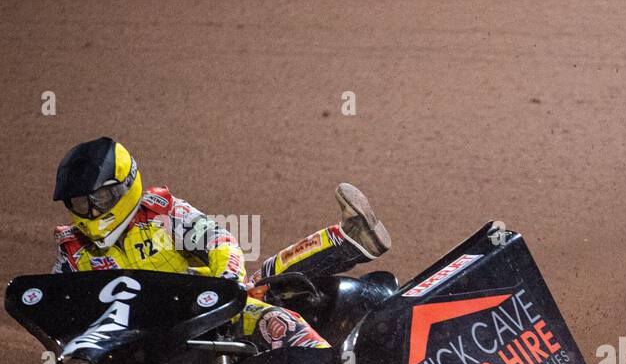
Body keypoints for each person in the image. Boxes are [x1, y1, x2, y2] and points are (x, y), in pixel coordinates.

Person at [50, 137, 391, 350]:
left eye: (100, 198)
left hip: (199, 321)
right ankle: (346, 239)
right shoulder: (71, 252)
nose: (92, 211)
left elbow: (218, 239)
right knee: (261, 283)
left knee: (272, 308)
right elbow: (52, 310)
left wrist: (226, 286)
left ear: (125, 187)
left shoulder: (163, 214)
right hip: (127, 346)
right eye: (81, 204)